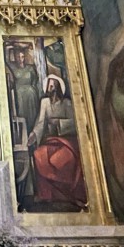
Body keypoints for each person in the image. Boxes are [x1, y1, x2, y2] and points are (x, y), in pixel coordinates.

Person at [27, 75, 87, 208]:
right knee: (39, 154)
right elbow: (40, 122)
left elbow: (75, 123)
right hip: (50, 140)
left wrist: (58, 123)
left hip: (66, 140)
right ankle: (46, 195)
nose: (51, 87)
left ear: (59, 87)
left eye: (54, 84)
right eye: (49, 84)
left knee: (63, 158)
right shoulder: (45, 103)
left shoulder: (67, 103)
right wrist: (33, 135)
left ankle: (67, 194)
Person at [7, 50, 41, 135]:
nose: (20, 59)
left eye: (22, 57)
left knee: (32, 112)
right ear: (15, 58)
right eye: (18, 57)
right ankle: (24, 133)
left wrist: (32, 88)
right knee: (21, 112)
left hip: (30, 93)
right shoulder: (13, 68)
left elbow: (35, 80)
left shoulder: (30, 68)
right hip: (19, 93)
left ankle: (33, 131)